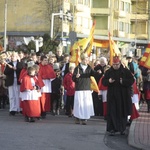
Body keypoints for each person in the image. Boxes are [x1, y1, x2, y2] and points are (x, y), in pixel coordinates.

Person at [102, 56, 134, 135]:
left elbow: (131, 80)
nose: (115, 66)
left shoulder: (125, 71)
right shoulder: (109, 72)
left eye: (117, 64)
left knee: (122, 112)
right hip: (112, 96)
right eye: (114, 65)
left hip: (123, 96)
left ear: (120, 64)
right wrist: (109, 81)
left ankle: (121, 128)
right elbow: (104, 82)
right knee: (112, 112)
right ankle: (112, 129)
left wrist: (123, 81)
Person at [72, 53, 96, 125]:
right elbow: (73, 78)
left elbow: (94, 74)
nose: (86, 61)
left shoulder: (89, 68)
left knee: (86, 103)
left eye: (87, 60)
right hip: (79, 88)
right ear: (82, 60)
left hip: (87, 88)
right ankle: (77, 117)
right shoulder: (77, 68)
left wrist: (98, 72)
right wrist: (76, 77)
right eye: (85, 60)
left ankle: (84, 118)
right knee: (79, 103)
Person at [4, 52, 23, 116]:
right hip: (11, 81)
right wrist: (11, 68)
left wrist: (16, 69)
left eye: (14, 56)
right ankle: (12, 109)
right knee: (12, 96)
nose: (12, 57)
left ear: (17, 57)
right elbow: (5, 72)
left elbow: (21, 71)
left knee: (19, 95)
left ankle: (19, 108)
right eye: (12, 56)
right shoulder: (9, 64)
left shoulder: (20, 64)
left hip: (18, 81)